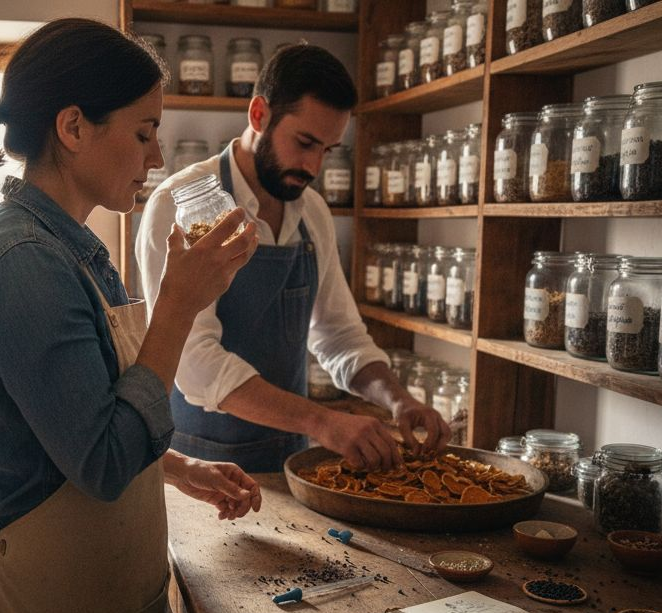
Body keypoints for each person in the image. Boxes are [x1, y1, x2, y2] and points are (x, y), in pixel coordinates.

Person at [0, 18, 261, 613]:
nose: (157, 156)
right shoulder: (24, 264)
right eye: (146, 130)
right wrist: (180, 305)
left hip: (104, 603)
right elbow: (101, 458)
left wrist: (178, 467)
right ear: (73, 127)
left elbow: (92, 413)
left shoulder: (76, 250)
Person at [136, 44, 451, 474]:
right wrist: (322, 421)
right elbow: (195, 363)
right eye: (304, 143)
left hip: (292, 464)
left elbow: (340, 335)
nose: (313, 166)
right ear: (259, 115)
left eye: (328, 149)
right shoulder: (182, 204)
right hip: (201, 469)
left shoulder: (312, 212)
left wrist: (399, 400)